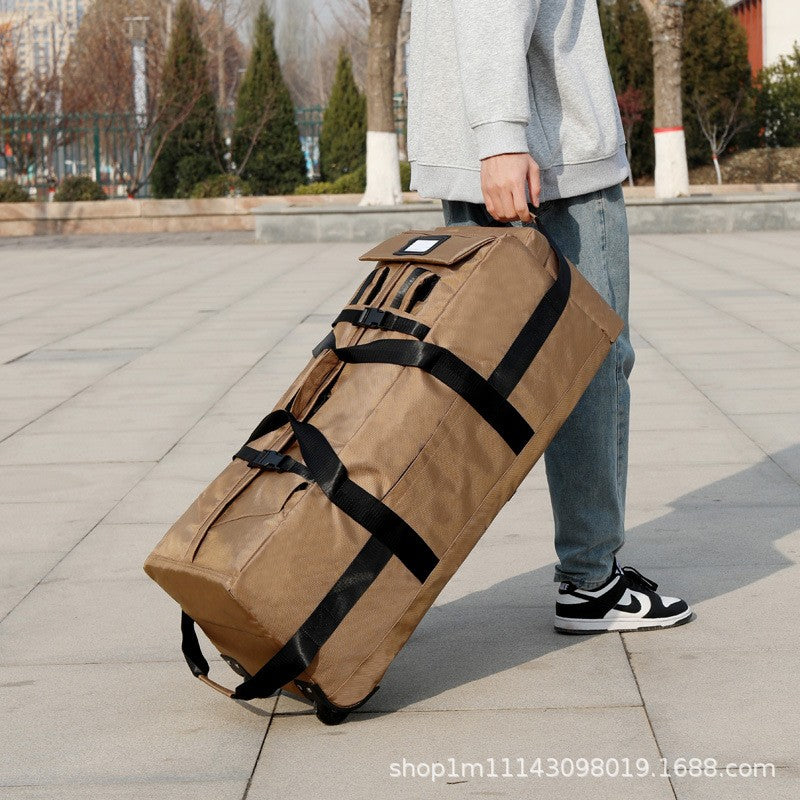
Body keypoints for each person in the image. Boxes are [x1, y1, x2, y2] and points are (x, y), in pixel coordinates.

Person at [406, 0, 692, 633]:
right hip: (546, 157)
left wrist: (493, 140)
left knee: (476, 379)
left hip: (485, 151)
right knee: (590, 362)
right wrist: (503, 137)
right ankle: (592, 582)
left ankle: (369, 587)